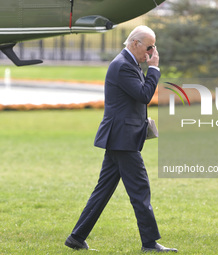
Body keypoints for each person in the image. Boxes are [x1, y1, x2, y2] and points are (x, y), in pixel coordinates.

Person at [65, 25, 177, 253]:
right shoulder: (123, 66)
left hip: (120, 138)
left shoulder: (129, 63)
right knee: (140, 190)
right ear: (135, 43)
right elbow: (144, 95)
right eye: (149, 47)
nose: (151, 52)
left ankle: (76, 238)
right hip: (122, 140)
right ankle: (149, 243)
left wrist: (148, 67)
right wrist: (154, 69)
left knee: (103, 191)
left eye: (153, 48)